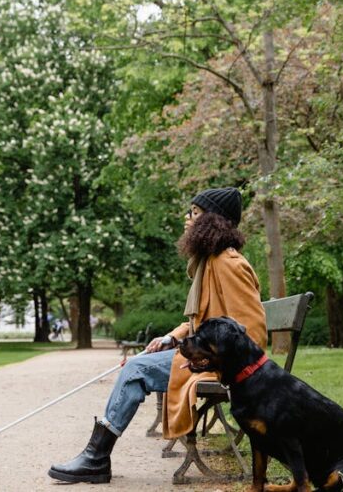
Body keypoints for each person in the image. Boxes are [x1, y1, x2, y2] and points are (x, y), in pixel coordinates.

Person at [48, 187, 268, 484]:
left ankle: (96, 458)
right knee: (137, 365)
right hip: (206, 359)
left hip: (221, 368)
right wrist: (171, 338)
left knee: (136, 369)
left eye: (195, 213)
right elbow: (205, 321)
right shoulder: (210, 262)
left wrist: (208, 359)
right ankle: (96, 457)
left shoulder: (228, 264)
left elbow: (252, 334)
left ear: (213, 221)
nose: (187, 218)